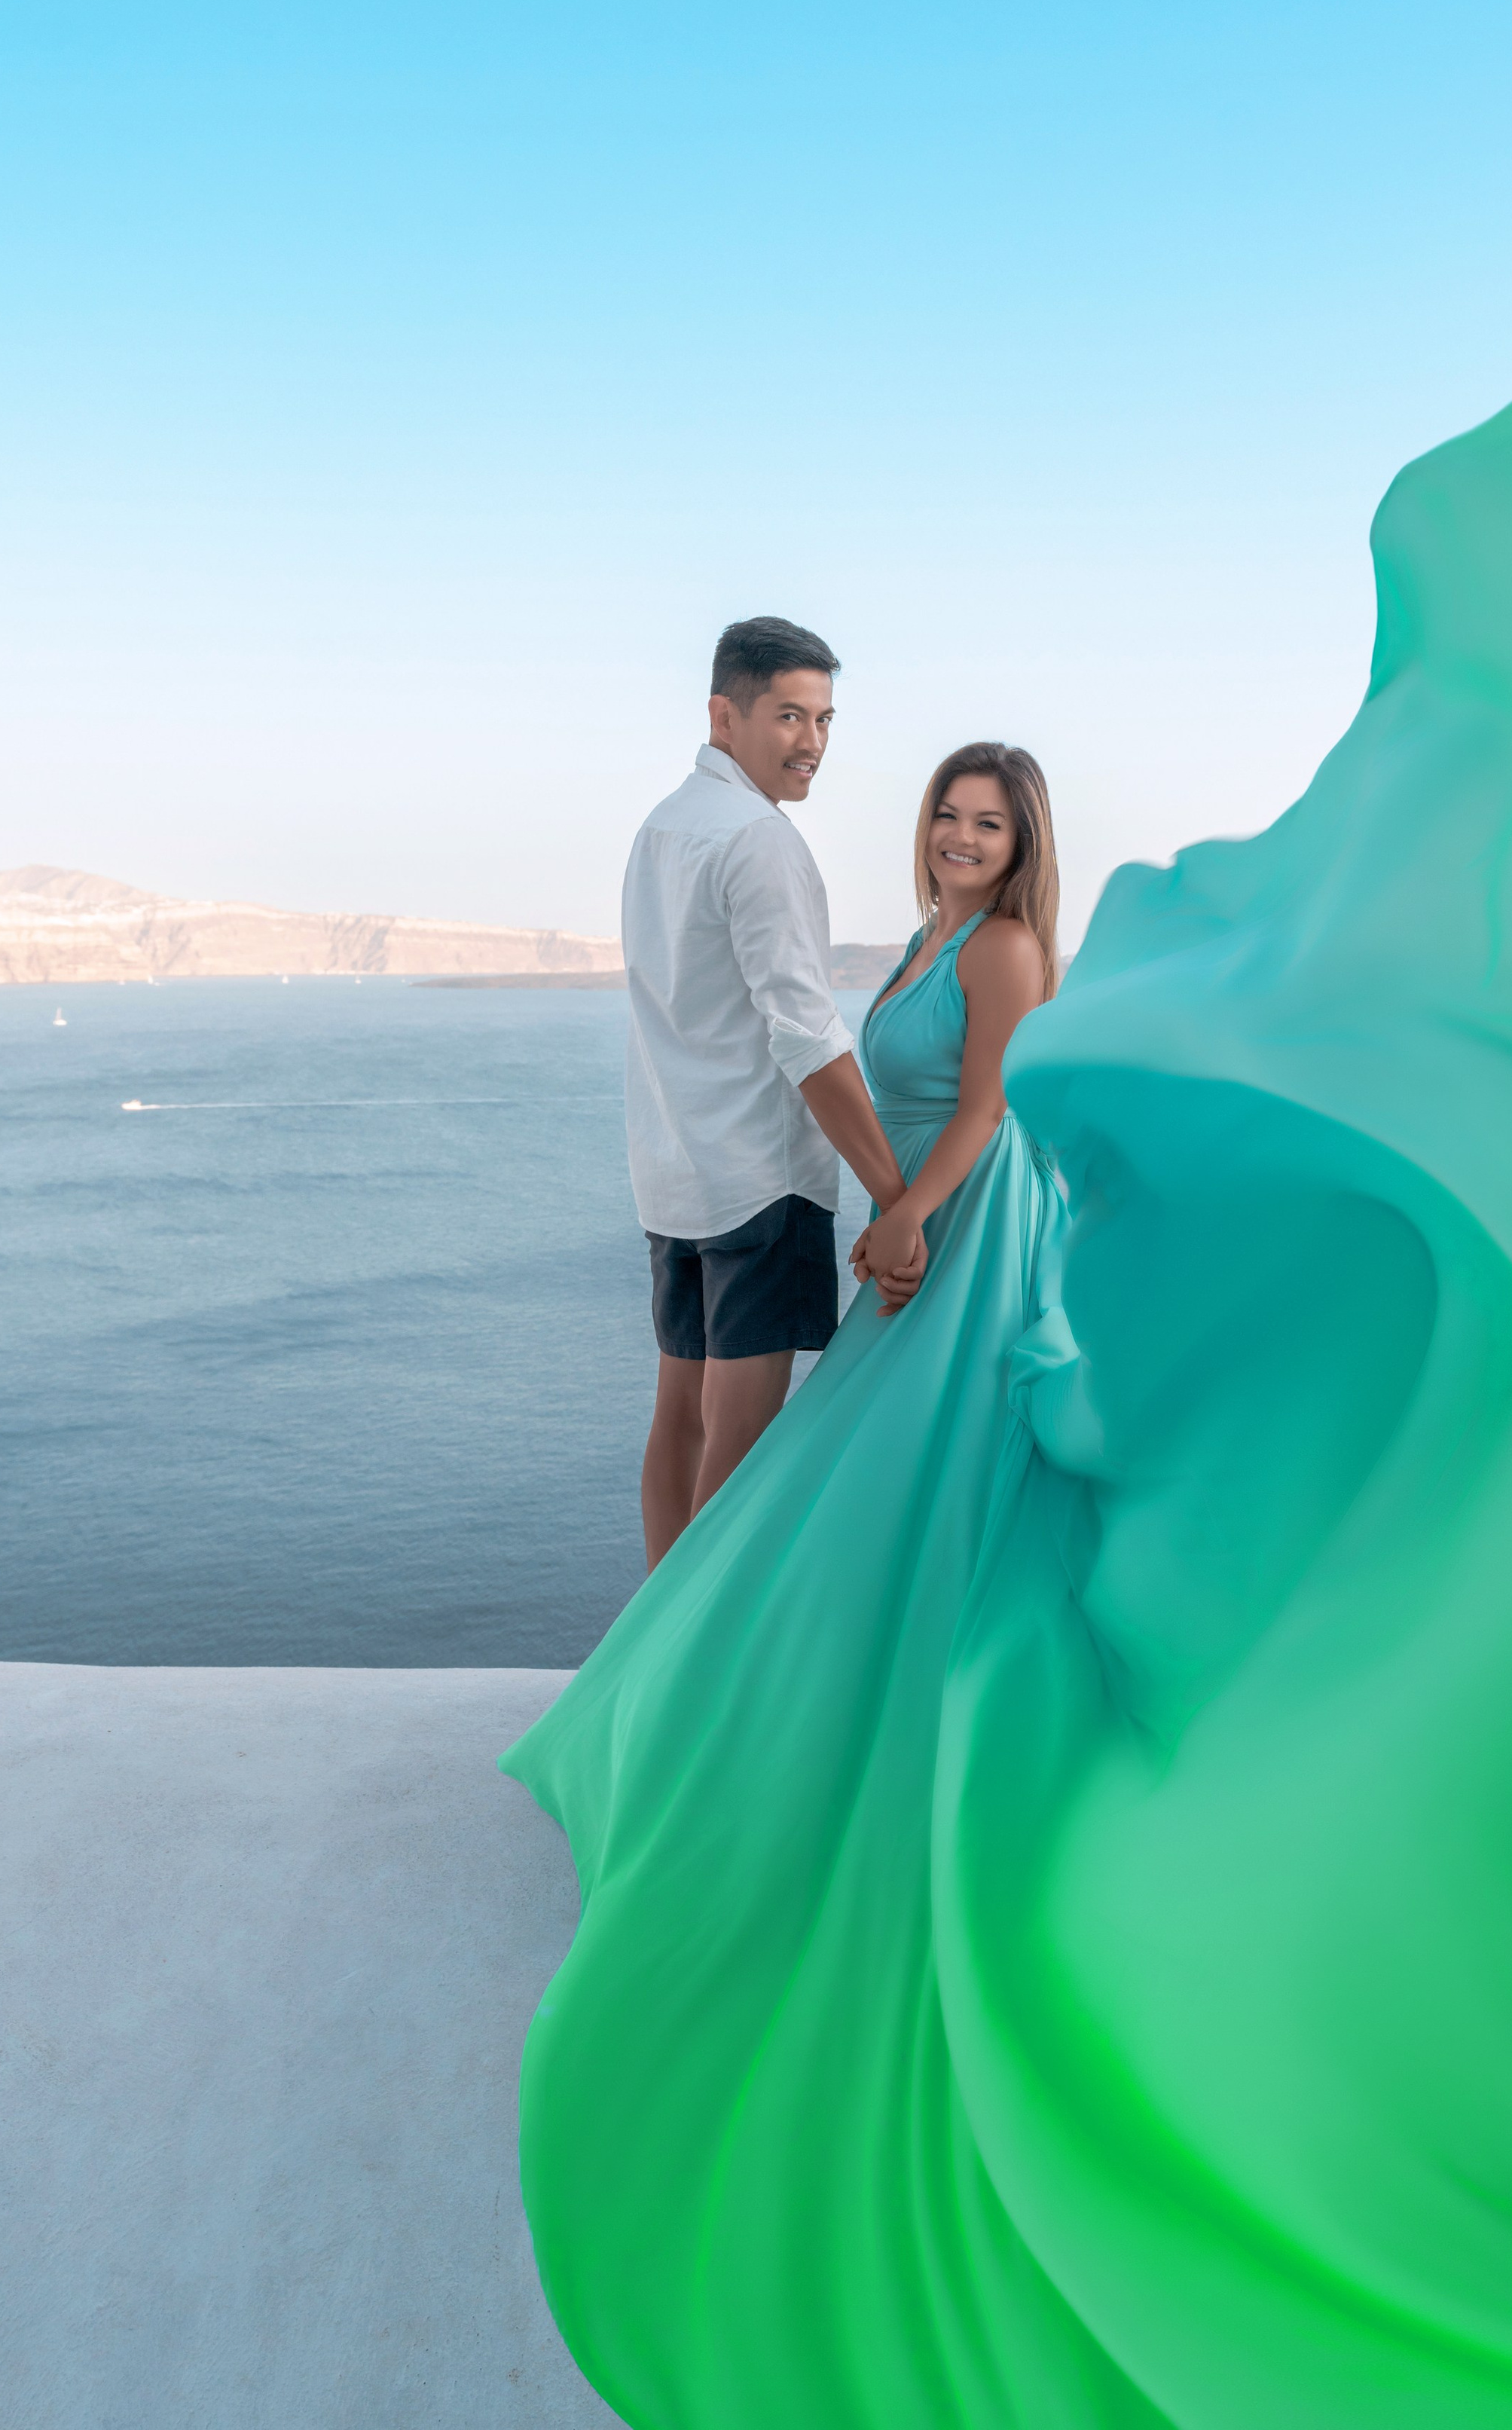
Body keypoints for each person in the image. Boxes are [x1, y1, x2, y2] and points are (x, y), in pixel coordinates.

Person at [500, 739, 1064, 2428]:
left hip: (953, 1234)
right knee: (831, 1493)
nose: (962, 840)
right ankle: (740, 1694)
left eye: (989, 824)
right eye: (951, 817)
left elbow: (975, 1111)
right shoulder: (912, 935)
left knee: (879, 1487)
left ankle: (885, 1723)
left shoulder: (1011, 950)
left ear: (1024, 845)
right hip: (907, 1224)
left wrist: (901, 1221)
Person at [622, 613, 922, 1566]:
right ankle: (696, 1677)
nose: (813, 744)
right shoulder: (758, 841)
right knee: (742, 1459)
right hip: (757, 1181)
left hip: (673, 1179)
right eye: (789, 717)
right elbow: (806, 1035)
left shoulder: (660, 828)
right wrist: (893, 1191)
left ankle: (650, 1665)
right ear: (724, 715)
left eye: (825, 720)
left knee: (679, 1421)